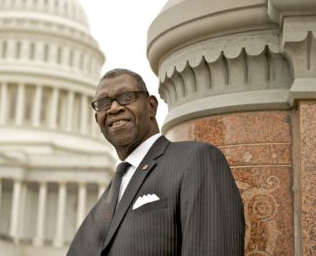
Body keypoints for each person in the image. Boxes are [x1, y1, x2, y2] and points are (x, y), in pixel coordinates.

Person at [67, 68, 245, 256]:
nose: (114, 108)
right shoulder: (105, 200)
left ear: (151, 106)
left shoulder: (195, 159)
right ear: (98, 120)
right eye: (104, 103)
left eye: (126, 97)